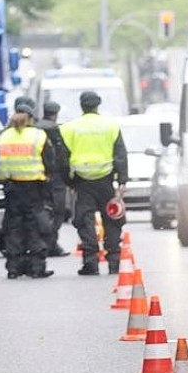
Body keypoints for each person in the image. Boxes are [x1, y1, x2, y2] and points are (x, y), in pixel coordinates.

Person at [59, 91, 128, 276]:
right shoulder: (110, 126)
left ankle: (91, 262)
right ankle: (114, 261)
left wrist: (69, 181)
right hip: (106, 180)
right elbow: (120, 154)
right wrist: (122, 179)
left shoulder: (69, 128)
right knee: (112, 219)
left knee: (84, 221)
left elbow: (63, 159)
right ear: (98, 104)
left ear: (81, 105)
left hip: (82, 182)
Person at [0, 96, 56, 279]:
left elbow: (1, 163)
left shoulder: (4, 136)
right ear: (30, 117)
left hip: (12, 188)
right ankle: (37, 268)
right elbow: (50, 163)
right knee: (35, 227)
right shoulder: (38, 136)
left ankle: (14, 268)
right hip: (34, 188)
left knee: (14, 227)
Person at [35, 100, 71, 258]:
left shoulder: (34, 127)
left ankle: (44, 243)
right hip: (55, 176)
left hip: (36, 175)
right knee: (58, 211)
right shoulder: (53, 128)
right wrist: (68, 176)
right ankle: (50, 243)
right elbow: (61, 154)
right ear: (56, 114)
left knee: (43, 211)